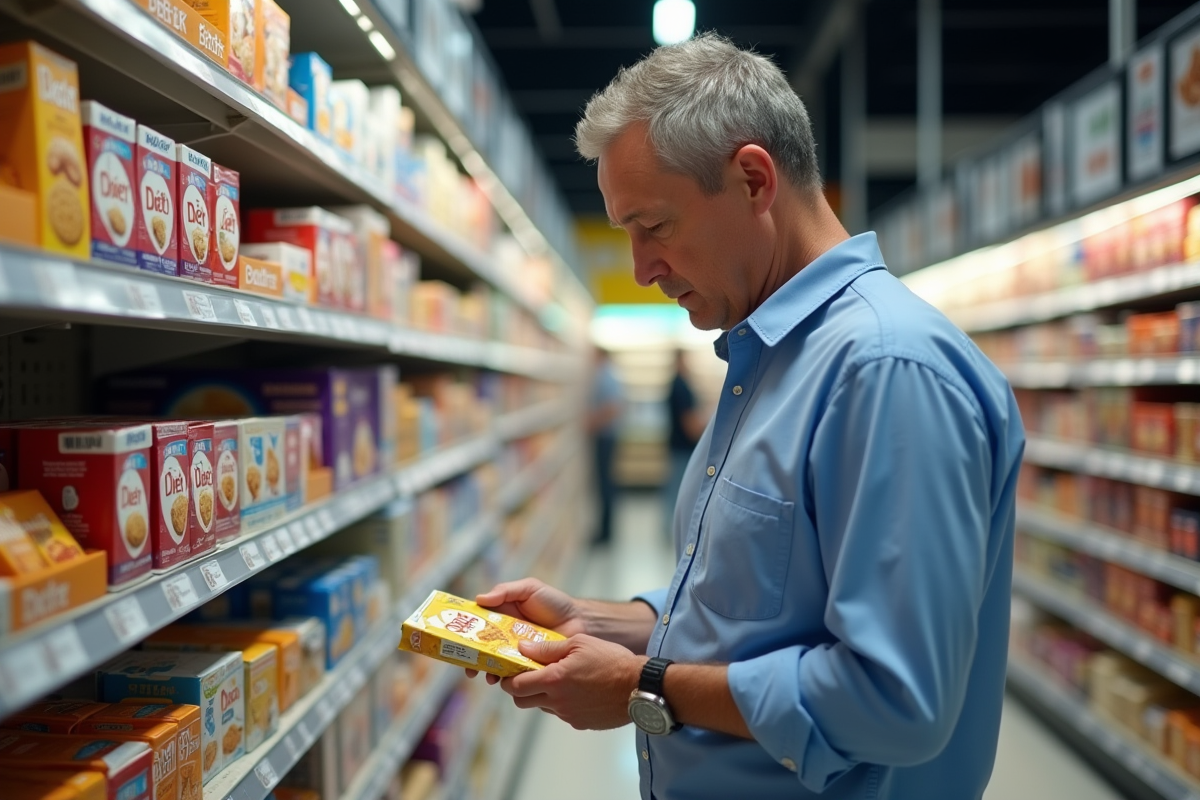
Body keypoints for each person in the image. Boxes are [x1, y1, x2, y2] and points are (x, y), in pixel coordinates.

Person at [468, 33, 1024, 800]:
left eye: (654, 227)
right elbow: (756, 612)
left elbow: (898, 703)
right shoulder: (765, 361)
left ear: (753, 179)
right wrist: (602, 624)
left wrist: (644, 685)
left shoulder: (887, 371)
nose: (641, 269)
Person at [662, 349, 705, 535]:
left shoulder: (674, 384)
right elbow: (689, 423)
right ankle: (675, 529)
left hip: (676, 444)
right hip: (683, 447)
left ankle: (670, 527)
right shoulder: (681, 387)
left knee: (674, 489)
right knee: (680, 490)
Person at [588, 347, 623, 545]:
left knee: (605, 484)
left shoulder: (605, 376)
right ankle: (605, 529)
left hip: (605, 437)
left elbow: (613, 408)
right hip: (608, 436)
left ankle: (605, 532)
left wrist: (592, 423)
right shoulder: (610, 375)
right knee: (606, 483)